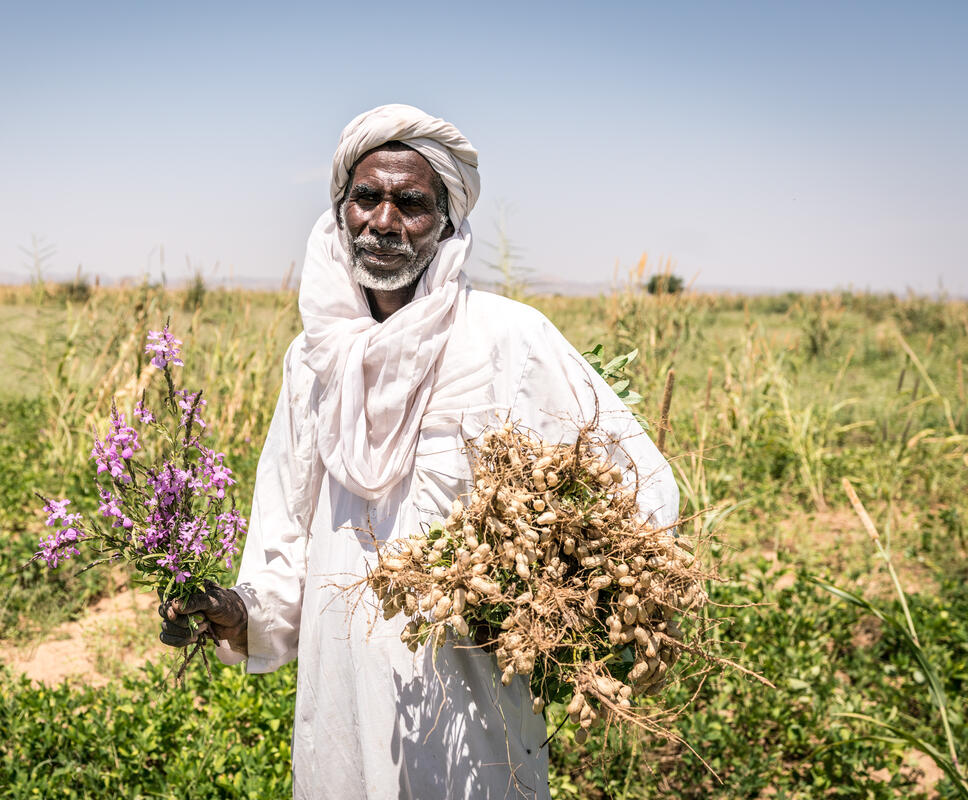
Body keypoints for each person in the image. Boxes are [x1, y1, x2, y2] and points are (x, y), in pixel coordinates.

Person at [159, 104, 678, 800]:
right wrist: (240, 610)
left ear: (447, 222)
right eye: (365, 199)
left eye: (411, 204)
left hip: (469, 692)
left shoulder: (508, 341)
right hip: (338, 684)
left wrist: (553, 598)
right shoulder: (314, 358)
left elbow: (636, 486)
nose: (383, 221)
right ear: (341, 210)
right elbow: (285, 524)